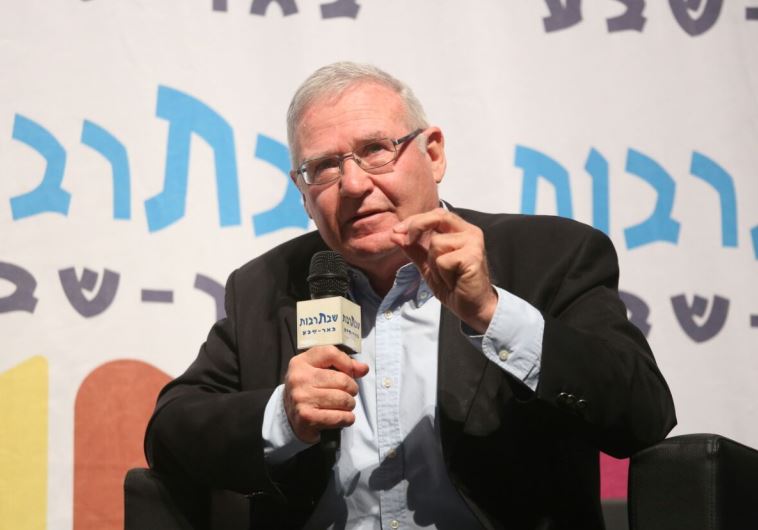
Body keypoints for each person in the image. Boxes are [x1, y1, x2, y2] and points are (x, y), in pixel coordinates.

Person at [145, 62, 676, 529]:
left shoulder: (550, 257)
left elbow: (643, 415)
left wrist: (492, 312)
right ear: (303, 193)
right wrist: (282, 416)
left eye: (376, 150)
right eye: (324, 167)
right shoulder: (265, 286)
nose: (353, 185)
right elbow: (171, 432)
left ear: (433, 153)